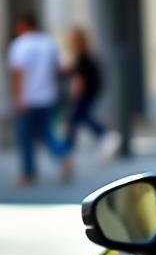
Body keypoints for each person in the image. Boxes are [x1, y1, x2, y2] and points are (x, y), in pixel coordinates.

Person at [7, 13, 68, 186]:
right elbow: (60, 68)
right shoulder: (48, 43)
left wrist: (18, 97)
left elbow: (18, 73)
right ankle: (63, 155)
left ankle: (28, 174)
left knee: (24, 137)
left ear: (24, 25)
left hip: (28, 98)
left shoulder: (20, 45)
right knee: (46, 133)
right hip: (47, 97)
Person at [62, 26, 121, 164]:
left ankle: (67, 154)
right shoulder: (85, 56)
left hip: (85, 94)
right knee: (79, 120)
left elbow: (80, 80)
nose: (69, 41)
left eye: (71, 39)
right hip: (90, 93)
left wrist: (76, 95)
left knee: (75, 121)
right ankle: (106, 137)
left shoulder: (82, 57)